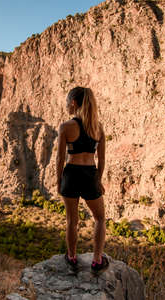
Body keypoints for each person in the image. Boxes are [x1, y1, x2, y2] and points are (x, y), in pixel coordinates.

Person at [56, 86, 109, 272]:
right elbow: (101, 159)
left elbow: (60, 158)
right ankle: (96, 260)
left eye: (67, 102)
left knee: (72, 220)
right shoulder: (98, 128)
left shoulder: (66, 127)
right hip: (89, 174)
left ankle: (71, 257)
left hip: (70, 174)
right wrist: (98, 180)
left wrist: (58, 181)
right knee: (100, 218)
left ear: (73, 103)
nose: (66, 106)